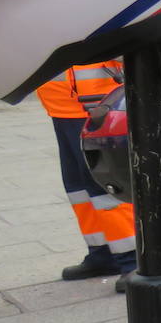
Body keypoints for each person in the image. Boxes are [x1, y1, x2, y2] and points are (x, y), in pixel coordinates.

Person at [37, 62, 138, 286]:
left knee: (105, 184)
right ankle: (103, 252)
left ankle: (133, 258)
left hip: (96, 101)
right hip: (62, 105)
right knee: (77, 187)